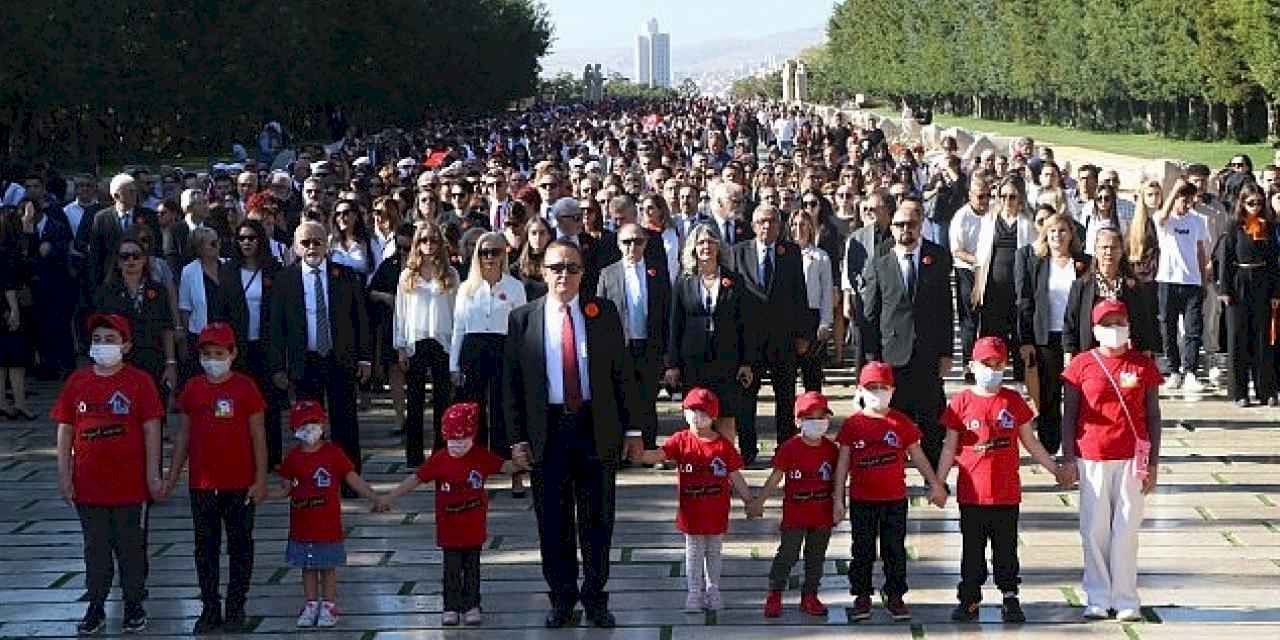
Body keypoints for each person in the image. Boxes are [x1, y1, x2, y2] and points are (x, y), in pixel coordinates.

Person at [502, 239, 641, 629]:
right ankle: (561, 599)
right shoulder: (523, 319)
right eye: (557, 267)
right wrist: (516, 440)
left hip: (595, 427)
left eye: (573, 267)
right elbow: (511, 385)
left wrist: (633, 429)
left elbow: (622, 375)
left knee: (598, 520)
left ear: (584, 273)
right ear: (543, 272)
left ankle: (596, 598)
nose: (564, 274)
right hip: (547, 430)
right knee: (553, 522)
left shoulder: (603, 313)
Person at [936, 337, 1065, 623]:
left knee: (1006, 551)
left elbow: (1031, 443)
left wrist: (1054, 468)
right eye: (986, 364)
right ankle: (969, 597)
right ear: (972, 366)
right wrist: (938, 482)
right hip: (972, 496)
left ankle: (1010, 596)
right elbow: (949, 446)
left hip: (1006, 495)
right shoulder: (961, 403)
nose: (992, 369)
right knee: (972, 551)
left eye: (998, 364)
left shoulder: (1013, 401)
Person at [51, 313, 166, 634]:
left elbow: (151, 427)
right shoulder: (78, 381)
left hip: (130, 486)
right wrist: (64, 474)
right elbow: (65, 429)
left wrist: (154, 475)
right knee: (95, 548)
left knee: (131, 548)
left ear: (126, 346)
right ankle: (96, 605)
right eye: (98, 340)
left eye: (111, 340)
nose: (103, 346)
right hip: (88, 486)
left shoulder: (139, 381)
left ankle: (133, 603)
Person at [1059, 300, 1163, 622]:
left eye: (1120, 321)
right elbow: (1070, 415)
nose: (1114, 328)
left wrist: (1155, 463)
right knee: (1094, 530)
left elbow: (1154, 416)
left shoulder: (1142, 366)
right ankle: (1098, 597)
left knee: (1126, 530)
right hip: (1092, 457)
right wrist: (1068, 457)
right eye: (1107, 323)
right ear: (1095, 329)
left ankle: (1126, 598)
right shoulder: (1081, 365)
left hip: (1133, 459)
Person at [164, 323, 267, 633]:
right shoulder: (193, 388)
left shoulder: (246, 388)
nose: (213, 359)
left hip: (240, 483)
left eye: (219, 353)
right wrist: (171, 477)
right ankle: (210, 607)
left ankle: (236, 607)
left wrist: (260, 478)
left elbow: (258, 434)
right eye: (207, 354)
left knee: (240, 546)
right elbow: (183, 436)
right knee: (205, 548)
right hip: (203, 484)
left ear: (232, 354)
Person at [379, 402, 520, 626]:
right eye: (452, 440)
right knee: (451, 569)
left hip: (473, 527)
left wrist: (521, 461)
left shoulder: (479, 456)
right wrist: (391, 496)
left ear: (472, 436)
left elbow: (504, 466)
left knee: (472, 568)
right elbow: (417, 478)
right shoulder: (440, 459)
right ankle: (451, 606)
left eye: (462, 440)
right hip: (449, 528)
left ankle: (472, 604)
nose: (457, 445)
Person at [832, 362, 947, 622]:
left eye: (883, 388)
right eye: (872, 388)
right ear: (860, 390)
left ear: (892, 391)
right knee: (862, 549)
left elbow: (917, 455)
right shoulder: (853, 425)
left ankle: (895, 594)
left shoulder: (900, 422)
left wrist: (934, 483)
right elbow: (842, 463)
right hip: (862, 500)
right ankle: (861, 595)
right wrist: (838, 499)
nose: (878, 393)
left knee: (894, 549)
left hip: (895, 499)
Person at [269, 221, 373, 494]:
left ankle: (350, 483)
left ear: (327, 244)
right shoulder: (284, 279)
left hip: (340, 359)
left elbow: (360, 319)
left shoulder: (346, 275)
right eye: (305, 243)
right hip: (305, 361)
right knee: (308, 425)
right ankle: (312, 479)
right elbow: (276, 327)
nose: (312, 247)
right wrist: (278, 366)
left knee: (345, 421)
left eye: (317, 241)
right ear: (295, 246)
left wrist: (365, 359)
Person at [630, 388, 754, 612]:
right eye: (692, 410)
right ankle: (694, 593)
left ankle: (713, 589)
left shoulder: (723, 446)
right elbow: (659, 454)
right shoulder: (681, 440)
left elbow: (736, 476)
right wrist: (639, 455)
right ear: (684, 412)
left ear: (714, 416)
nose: (697, 416)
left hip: (716, 511)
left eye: (703, 411)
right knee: (694, 552)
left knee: (714, 551)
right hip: (691, 512)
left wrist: (750, 501)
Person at [272, 400, 382, 629]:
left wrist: (374, 497)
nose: (310, 428)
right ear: (294, 429)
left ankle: (329, 604)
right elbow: (285, 488)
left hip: (328, 525)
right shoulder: (292, 458)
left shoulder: (334, 454)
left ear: (323, 424)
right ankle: (311, 603)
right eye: (304, 424)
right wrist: (263, 494)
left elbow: (352, 478)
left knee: (328, 567)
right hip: (302, 526)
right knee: (308, 567)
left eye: (314, 422)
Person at [860, 198, 954, 466]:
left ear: (920, 225)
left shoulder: (937, 257)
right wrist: (871, 360)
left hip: (927, 352)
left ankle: (934, 475)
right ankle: (895, 471)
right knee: (894, 419)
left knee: (932, 420)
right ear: (891, 228)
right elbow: (870, 314)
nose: (905, 230)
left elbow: (945, 308)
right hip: (892, 355)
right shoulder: (880, 262)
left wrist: (946, 353)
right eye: (899, 225)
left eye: (911, 224)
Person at [730, 205, 809, 464]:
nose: (767, 226)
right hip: (749, 340)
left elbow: (800, 295)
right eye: (762, 222)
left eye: (772, 222)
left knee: (785, 397)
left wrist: (802, 334)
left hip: (782, 339)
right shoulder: (737, 253)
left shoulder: (791, 252)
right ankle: (749, 450)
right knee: (746, 399)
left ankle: (785, 448)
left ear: (780, 225)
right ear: (753, 225)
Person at [449, 231, 527, 491]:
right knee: (474, 410)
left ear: (504, 254)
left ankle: (514, 471)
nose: (490, 258)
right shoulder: (466, 288)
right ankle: (476, 470)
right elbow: (458, 327)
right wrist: (454, 364)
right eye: (484, 253)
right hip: (473, 349)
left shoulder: (514, 287)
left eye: (495, 252)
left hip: (503, 347)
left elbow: (521, 327)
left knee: (506, 409)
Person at [665, 223, 753, 445]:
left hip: (727, 360)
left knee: (725, 417)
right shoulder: (683, 281)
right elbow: (675, 324)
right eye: (701, 242)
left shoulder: (734, 281)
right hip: (693, 361)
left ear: (719, 247)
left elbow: (745, 324)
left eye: (711, 242)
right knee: (697, 417)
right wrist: (672, 365)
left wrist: (746, 362)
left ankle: (726, 471)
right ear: (693, 248)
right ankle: (698, 467)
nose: (706, 246)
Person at [754, 391, 839, 618]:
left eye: (822, 417)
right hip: (796, 513)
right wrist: (759, 501)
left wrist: (840, 504)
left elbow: (840, 480)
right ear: (799, 421)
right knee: (788, 553)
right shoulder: (790, 448)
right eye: (811, 417)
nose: (818, 422)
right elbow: (775, 477)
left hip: (822, 513)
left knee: (816, 557)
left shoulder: (832, 451)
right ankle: (775, 593)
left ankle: (810, 595)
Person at [1015, 211, 1088, 453]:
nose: (1057, 235)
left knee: (1079, 394)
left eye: (1062, 230)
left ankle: (1079, 444)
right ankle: (1049, 444)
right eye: (1052, 231)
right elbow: (1025, 302)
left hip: (1076, 338)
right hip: (1046, 336)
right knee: (1049, 395)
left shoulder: (1083, 263)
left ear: (1071, 234)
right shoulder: (1036, 263)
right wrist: (1025, 340)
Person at [596, 223, 671, 451]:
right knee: (620, 399)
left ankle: (647, 449)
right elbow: (599, 316)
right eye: (627, 242)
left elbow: (667, 312)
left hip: (649, 347)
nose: (632, 247)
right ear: (619, 245)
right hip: (620, 347)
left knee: (647, 400)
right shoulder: (608, 274)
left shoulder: (657, 273)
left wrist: (668, 352)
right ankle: (620, 450)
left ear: (646, 243)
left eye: (637, 241)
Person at [393, 223, 459, 465]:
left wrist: (456, 347)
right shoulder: (407, 275)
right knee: (416, 400)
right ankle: (413, 455)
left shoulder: (451, 274)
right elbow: (400, 313)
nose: (428, 245)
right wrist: (400, 345)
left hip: (443, 340)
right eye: (423, 240)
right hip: (416, 340)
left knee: (443, 399)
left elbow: (456, 313)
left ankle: (441, 452)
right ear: (416, 244)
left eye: (433, 240)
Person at [92, 231, 179, 395]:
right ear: (118, 262)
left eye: (136, 255)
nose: (131, 260)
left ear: (144, 259)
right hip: (119, 362)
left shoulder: (158, 291)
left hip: (153, 362)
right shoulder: (106, 292)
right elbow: (99, 331)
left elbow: (167, 329)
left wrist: (171, 364)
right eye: (125, 256)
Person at [1216, 184, 1279, 406]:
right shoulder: (1234, 227)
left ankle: (1266, 390)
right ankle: (1239, 392)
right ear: (1242, 203)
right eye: (1251, 203)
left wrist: (1275, 292)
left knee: (1262, 338)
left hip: (1261, 281)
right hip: (1239, 282)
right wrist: (1224, 289)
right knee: (1238, 338)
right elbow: (1225, 258)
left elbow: (1273, 263)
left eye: (1259, 203)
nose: (1255, 207)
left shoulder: (1267, 227)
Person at [1063, 227, 1161, 358]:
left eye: (1113, 248)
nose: (1108, 252)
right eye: (1104, 247)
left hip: (1126, 356)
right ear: (1096, 250)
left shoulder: (1133, 287)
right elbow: (1070, 323)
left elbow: (1144, 323)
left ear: (1121, 251)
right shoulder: (1081, 286)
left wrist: (1146, 351)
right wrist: (1069, 353)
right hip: (1091, 355)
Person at [973, 177, 1035, 380]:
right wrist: (977, 286)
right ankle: (992, 371)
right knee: (992, 331)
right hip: (993, 287)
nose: (1007, 201)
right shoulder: (989, 221)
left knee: (1018, 329)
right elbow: (981, 257)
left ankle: (1019, 374)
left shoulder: (1027, 223)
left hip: (1017, 287)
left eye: (1012, 196)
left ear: (1020, 198)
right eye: (1003, 196)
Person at [1153, 181, 1211, 391]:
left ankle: (1190, 372)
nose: (1186, 203)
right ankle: (1174, 370)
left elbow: (1200, 250)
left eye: (1189, 199)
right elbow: (1161, 216)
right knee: (1167, 327)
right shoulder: (1165, 219)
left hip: (1192, 281)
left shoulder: (1197, 220)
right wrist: (1175, 189)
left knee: (1193, 329)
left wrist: (1204, 280)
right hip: (1168, 280)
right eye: (1182, 198)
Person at [178, 227, 231, 381]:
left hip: (228, 334)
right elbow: (185, 307)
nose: (217, 246)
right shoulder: (189, 271)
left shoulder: (229, 266)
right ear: (199, 248)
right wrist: (186, 340)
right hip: (202, 336)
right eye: (212, 243)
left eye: (218, 242)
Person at [790, 210, 833, 392]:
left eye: (803, 224)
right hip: (789, 317)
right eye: (795, 224)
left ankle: (814, 415)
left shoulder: (820, 256)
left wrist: (825, 322)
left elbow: (826, 292)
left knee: (812, 373)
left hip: (811, 315)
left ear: (810, 228)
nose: (799, 229)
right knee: (787, 374)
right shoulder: (783, 252)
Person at [0, 206, 34, 419]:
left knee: (4, 359)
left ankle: (5, 402)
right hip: (10, 306)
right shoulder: (9, 251)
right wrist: (13, 309)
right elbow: (8, 282)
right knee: (16, 359)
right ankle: (18, 402)